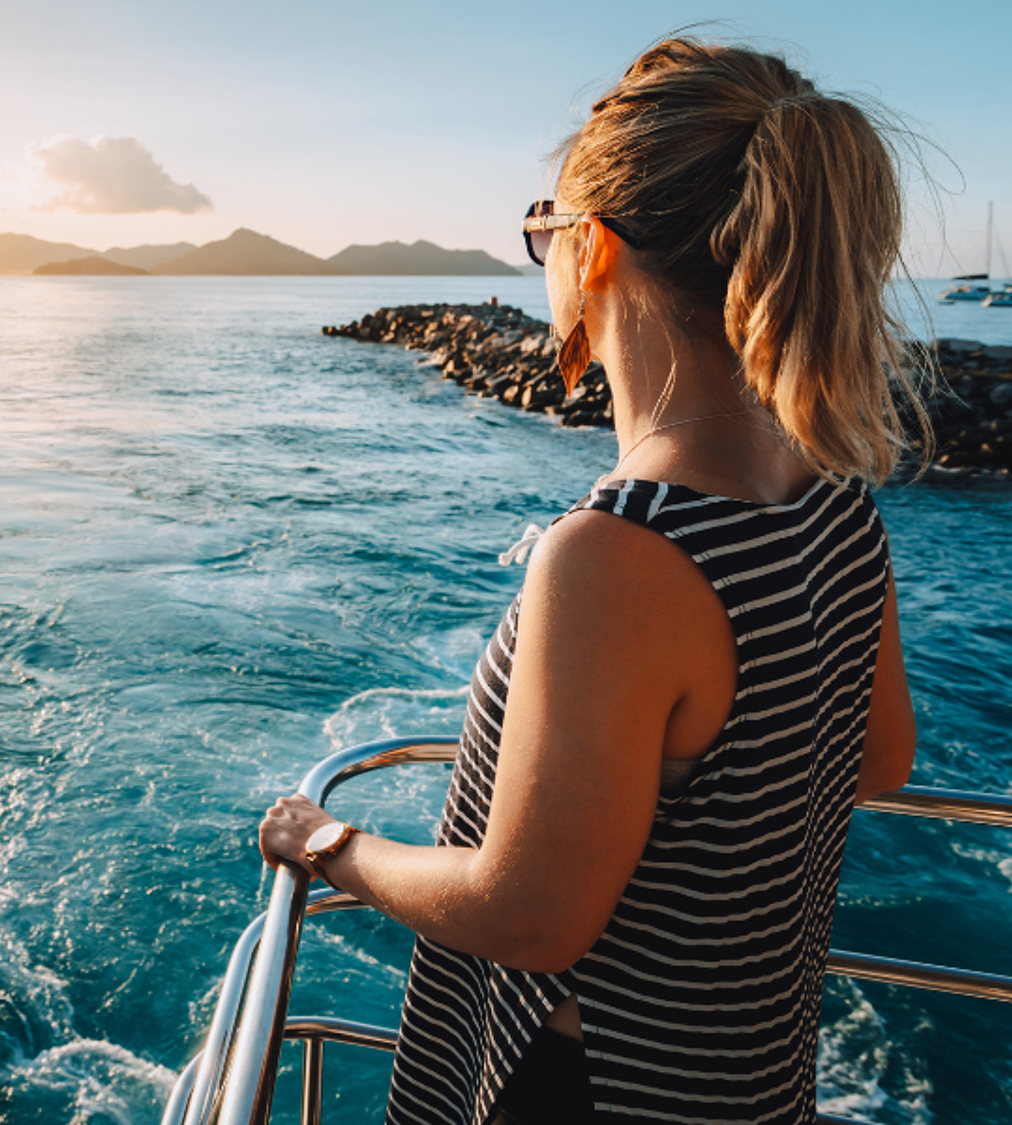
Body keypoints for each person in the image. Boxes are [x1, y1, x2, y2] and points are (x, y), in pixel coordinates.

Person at [258, 38, 924, 1125]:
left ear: (596, 248)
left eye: (544, 233)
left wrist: (327, 845)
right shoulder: (833, 494)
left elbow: (530, 917)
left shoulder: (622, 549)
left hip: (591, 1091)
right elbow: (880, 757)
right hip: (746, 1083)